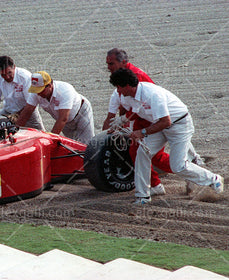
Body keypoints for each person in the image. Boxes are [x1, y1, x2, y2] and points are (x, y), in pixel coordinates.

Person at [109, 68, 223, 204]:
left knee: (178, 166)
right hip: (159, 125)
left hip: (179, 126)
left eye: (119, 87)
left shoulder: (152, 94)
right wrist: (121, 121)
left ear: (127, 86)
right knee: (142, 153)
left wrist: (142, 132)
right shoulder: (129, 96)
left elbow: (166, 121)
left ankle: (213, 179)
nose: (118, 91)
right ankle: (143, 196)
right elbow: (136, 111)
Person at [102, 48, 172, 196]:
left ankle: (186, 168)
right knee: (139, 152)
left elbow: (141, 105)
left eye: (111, 63)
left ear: (123, 62)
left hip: (151, 118)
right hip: (140, 117)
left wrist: (124, 120)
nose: (108, 67)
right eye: (107, 63)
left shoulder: (137, 76)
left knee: (151, 155)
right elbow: (125, 102)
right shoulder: (122, 77)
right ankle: (156, 183)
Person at [18, 71, 95, 144]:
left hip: (81, 113)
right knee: (73, 145)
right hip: (65, 121)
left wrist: (49, 139)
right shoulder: (36, 93)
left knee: (87, 145)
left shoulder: (64, 91)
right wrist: (16, 131)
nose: (39, 94)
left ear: (50, 85)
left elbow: (63, 118)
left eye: (41, 90)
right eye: (36, 90)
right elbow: (26, 113)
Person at [0, 56, 45, 131]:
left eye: (9, 73)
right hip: (8, 110)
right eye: (3, 75)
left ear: (14, 67)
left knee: (41, 134)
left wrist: (17, 116)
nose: (7, 77)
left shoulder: (25, 77)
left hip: (28, 111)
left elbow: (30, 104)